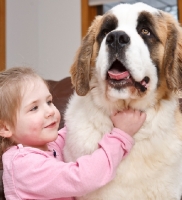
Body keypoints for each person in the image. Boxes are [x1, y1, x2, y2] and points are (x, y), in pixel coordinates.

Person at [0, 67, 146, 200]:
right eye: (34, 108)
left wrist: (98, 114)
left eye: (49, 102)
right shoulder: (23, 166)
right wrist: (120, 135)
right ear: (5, 128)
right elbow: (82, 178)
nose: (49, 112)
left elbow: (72, 131)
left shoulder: (48, 145)